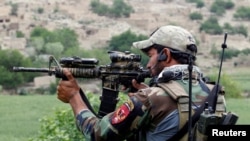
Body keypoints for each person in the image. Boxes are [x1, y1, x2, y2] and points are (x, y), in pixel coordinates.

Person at [57, 25, 226, 141]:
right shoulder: (214, 95)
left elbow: (97, 134)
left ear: (165, 55)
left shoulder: (150, 99)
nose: (148, 64)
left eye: (151, 55)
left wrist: (74, 97)